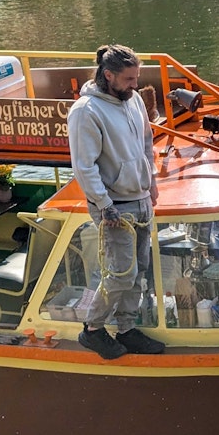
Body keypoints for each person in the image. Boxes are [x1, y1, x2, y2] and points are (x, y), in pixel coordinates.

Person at [67, 44, 165, 359]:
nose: (135, 84)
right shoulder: (86, 111)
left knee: (140, 270)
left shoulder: (133, 99)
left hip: (139, 199)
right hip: (114, 208)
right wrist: (105, 205)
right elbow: (84, 166)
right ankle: (92, 330)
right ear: (108, 75)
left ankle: (126, 328)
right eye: (129, 78)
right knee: (121, 273)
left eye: (137, 77)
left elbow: (147, 141)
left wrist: (151, 180)